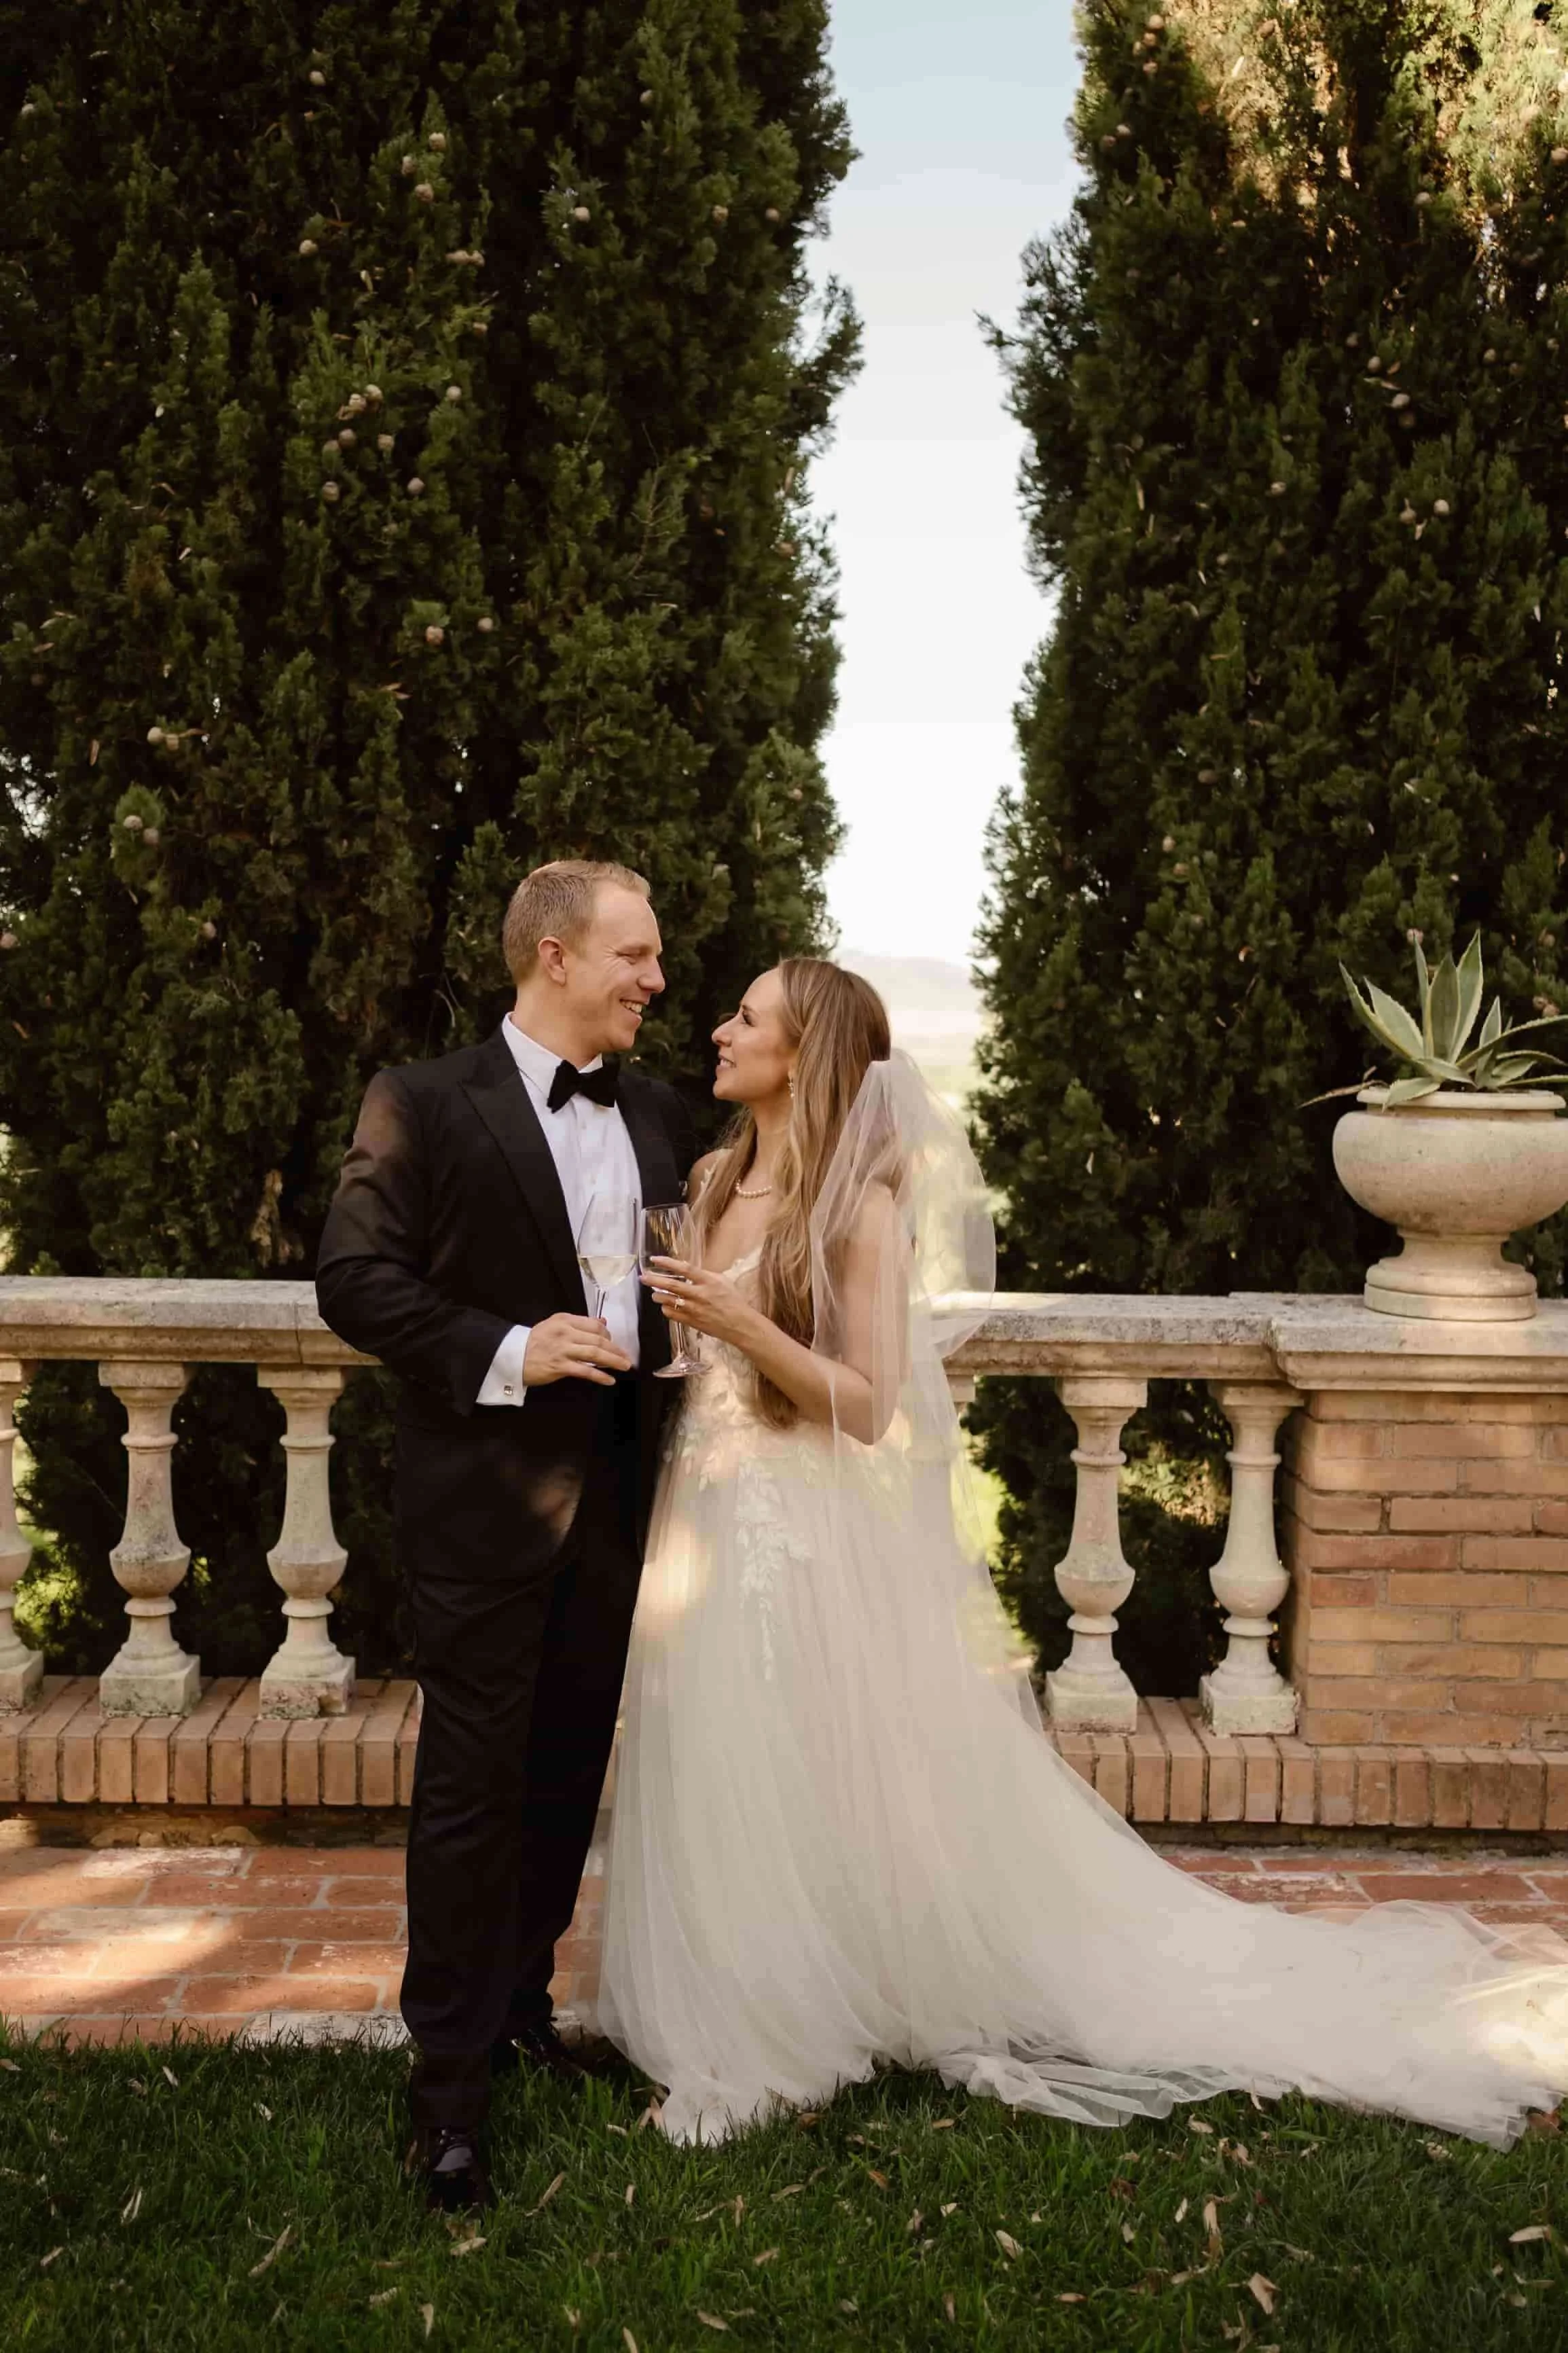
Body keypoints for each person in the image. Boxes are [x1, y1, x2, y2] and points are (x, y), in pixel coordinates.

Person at [598, 956, 1568, 2149]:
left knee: (801, 1762)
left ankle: (780, 2039)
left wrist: (742, 1326)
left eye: (748, 1017)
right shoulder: (708, 1178)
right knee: (718, 1757)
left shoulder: (860, 1204)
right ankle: (749, 1995)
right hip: (706, 1515)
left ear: (806, 1055)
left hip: (803, 1536)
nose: (720, 1027)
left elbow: (870, 1406)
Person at [316, 860, 695, 2211]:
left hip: (618, 1504)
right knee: (470, 1795)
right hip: (480, 1505)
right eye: (634, 956)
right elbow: (354, 1281)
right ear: (551, 955)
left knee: (561, 1775)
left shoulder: (653, 1109)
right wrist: (510, 1348)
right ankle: (448, 2094)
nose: (656, 980)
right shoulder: (420, 1100)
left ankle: (524, 2010)